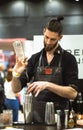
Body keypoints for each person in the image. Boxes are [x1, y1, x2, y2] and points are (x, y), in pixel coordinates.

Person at [12, 16, 79, 123]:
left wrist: (47, 85)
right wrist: (16, 74)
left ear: (60, 37)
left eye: (53, 39)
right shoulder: (35, 58)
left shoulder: (68, 59)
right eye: (46, 37)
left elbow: (73, 93)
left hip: (59, 121)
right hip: (35, 119)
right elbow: (15, 89)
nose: (48, 42)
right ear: (44, 32)